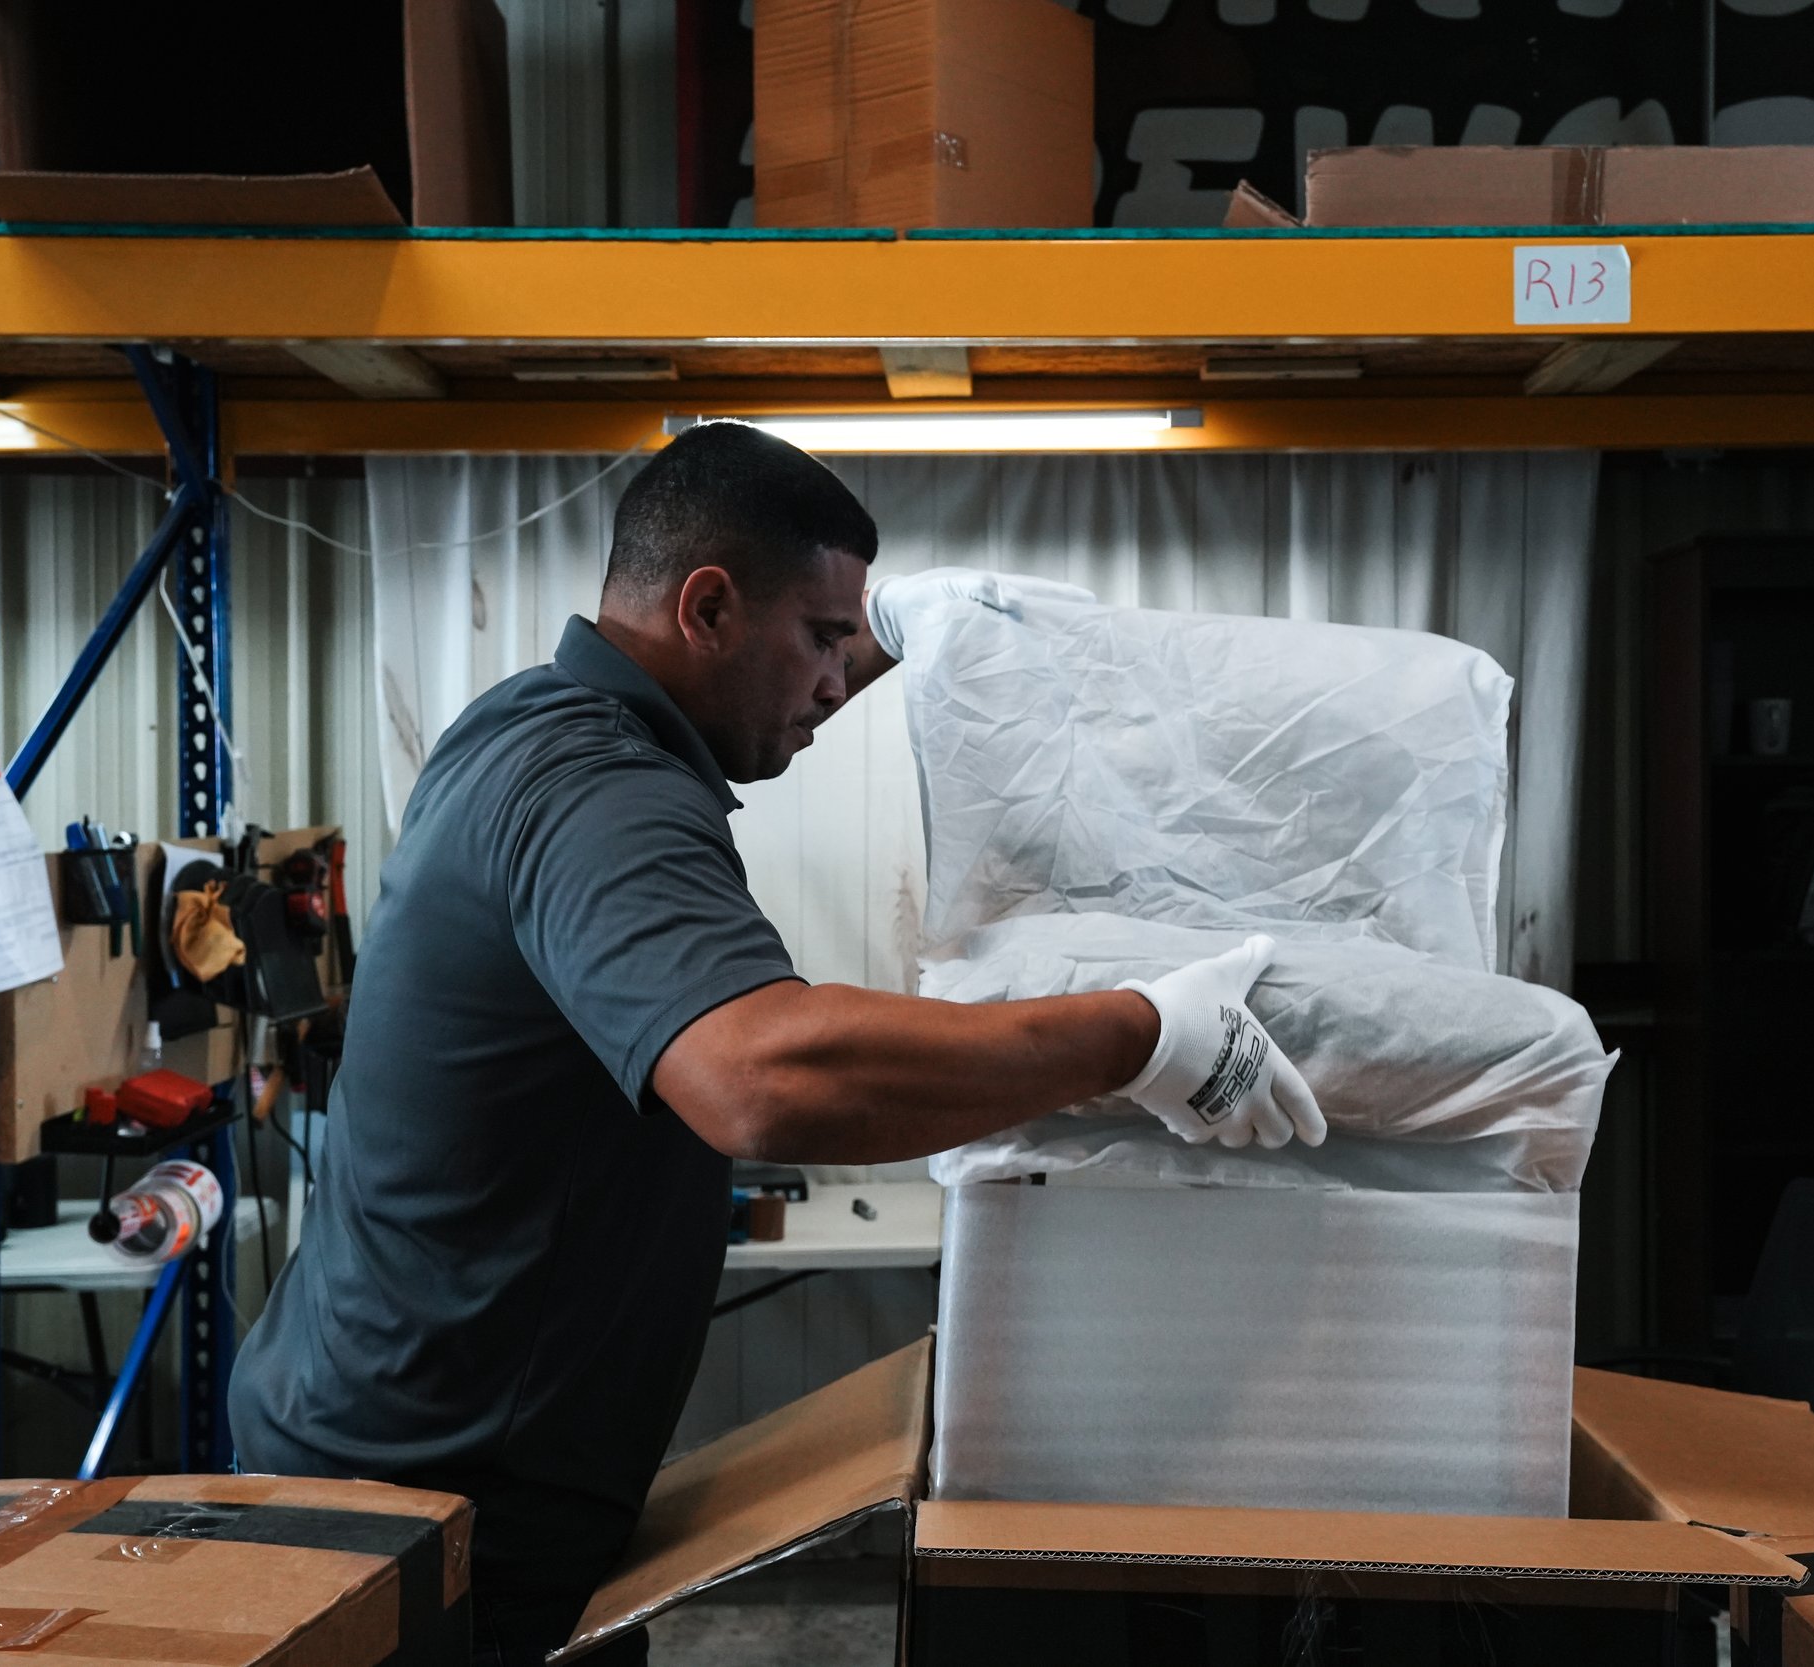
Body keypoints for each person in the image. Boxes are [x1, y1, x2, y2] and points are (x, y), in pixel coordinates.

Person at [228, 421, 1325, 1667]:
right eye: (821, 637)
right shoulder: (602, 790)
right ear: (707, 608)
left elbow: (775, 708)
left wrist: (910, 640)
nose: (835, 680)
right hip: (423, 1520)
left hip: (406, 1464)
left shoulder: (523, 725)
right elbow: (761, 1074)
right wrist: (1142, 1033)